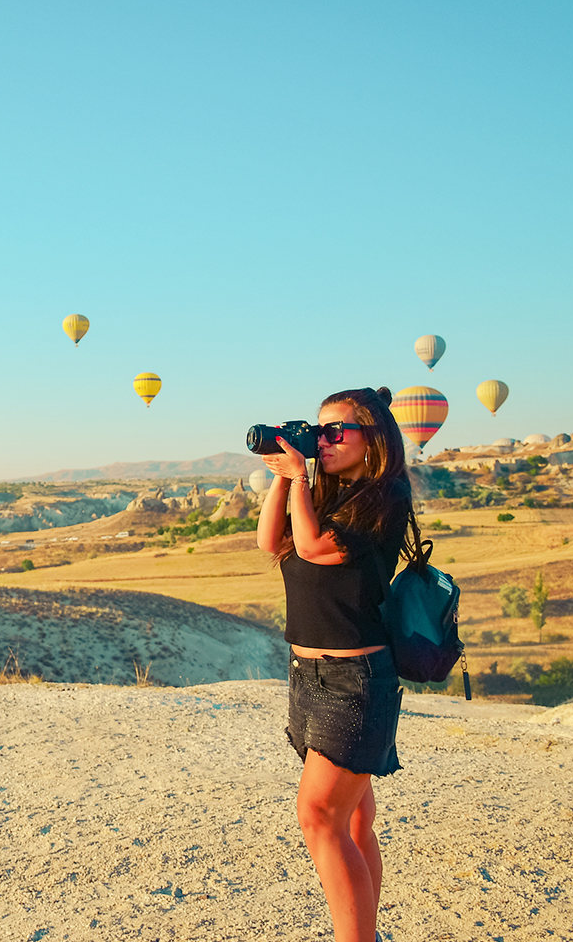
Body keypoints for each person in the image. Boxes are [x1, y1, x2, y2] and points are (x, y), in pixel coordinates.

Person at [255, 387, 426, 942]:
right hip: (308, 677)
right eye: (319, 430)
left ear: (372, 437)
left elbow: (313, 548)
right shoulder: (325, 493)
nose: (324, 441)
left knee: (319, 819)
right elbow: (270, 541)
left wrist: (303, 477)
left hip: (355, 683)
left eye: (336, 431)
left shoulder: (383, 495)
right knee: (351, 820)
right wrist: (284, 473)